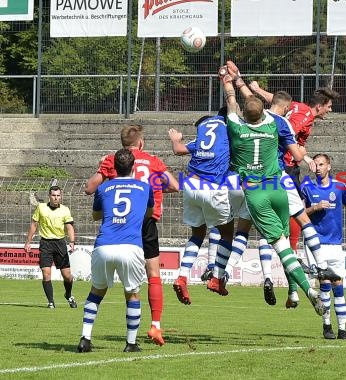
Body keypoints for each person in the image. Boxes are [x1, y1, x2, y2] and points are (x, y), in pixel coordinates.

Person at [218, 66, 326, 316]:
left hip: (256, 193)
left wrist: (228, 82)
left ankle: (309, 292)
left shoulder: (236, 127)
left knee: (280, 246)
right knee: (288, 239)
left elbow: (233, 104)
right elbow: (266, 111)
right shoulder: (274, 125)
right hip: (278, 187)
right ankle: (296, 288)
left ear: (246, 115)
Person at [84, 124, 178, 346]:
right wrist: (151, 190)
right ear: (141, 142)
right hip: (146, 220)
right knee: (153, 274)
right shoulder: (152, 160)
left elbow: (89, 188)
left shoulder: (111, 160)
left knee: (102, 287)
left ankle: (86, 334)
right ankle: (155, 325)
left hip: (118, 225)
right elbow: (174, 186)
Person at [77, 148, 154, 353]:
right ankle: (130, 343)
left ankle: (85, 338)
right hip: (130, 246)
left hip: (104, 245)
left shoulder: (103, 188)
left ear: (114, 167)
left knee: (96, 292)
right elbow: (149, 213)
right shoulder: (145, 187)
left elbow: (95, 216)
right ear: (133, 166)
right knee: (132, 294)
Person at [250, 81, 339, 257]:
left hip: (282, 165)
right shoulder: (305, 117)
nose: (330, 110)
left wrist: (257, 90)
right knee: (298, 209)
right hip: (287, 166)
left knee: (289, 208)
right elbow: (286, 135)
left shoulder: (299, 107)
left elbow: (276, 101)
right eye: (329, 106)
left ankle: (287, 250)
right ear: (319, 106)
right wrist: (303, 156)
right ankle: (293, 251)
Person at [168, 109, 236, 300]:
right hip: (213, 186)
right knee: (228, 234)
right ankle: (216, 278)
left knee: (197, 235)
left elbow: (178, 149)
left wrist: (175, 138)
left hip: (191, 184)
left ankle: (182, 277)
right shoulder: (230, 132)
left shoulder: (204, 133)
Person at [301, 153, 346, 340]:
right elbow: (298, 212)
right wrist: (314, 208)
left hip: (335, 244)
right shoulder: (306, 186)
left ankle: (342, 330)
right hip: (317, 244)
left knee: (338, 284)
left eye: (322, 164)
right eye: (316, 164)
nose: (319, 168)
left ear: (329, 167)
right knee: (324, 284)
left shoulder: (340, 186)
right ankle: (327, 326)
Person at [24, 186, 77, 309]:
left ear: (61, 196)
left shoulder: (65, 210)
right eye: (54, 195)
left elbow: (69, 227)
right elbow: (34, 225)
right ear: (49, 196)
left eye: (58, 195)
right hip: (45, 244)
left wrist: (72, 241)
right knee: (46, 273)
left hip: (60, 243)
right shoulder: (41, 208)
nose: (56, 198)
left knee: (67, 276)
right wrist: (28, 242)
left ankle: (68, 294)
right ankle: (51, 302)